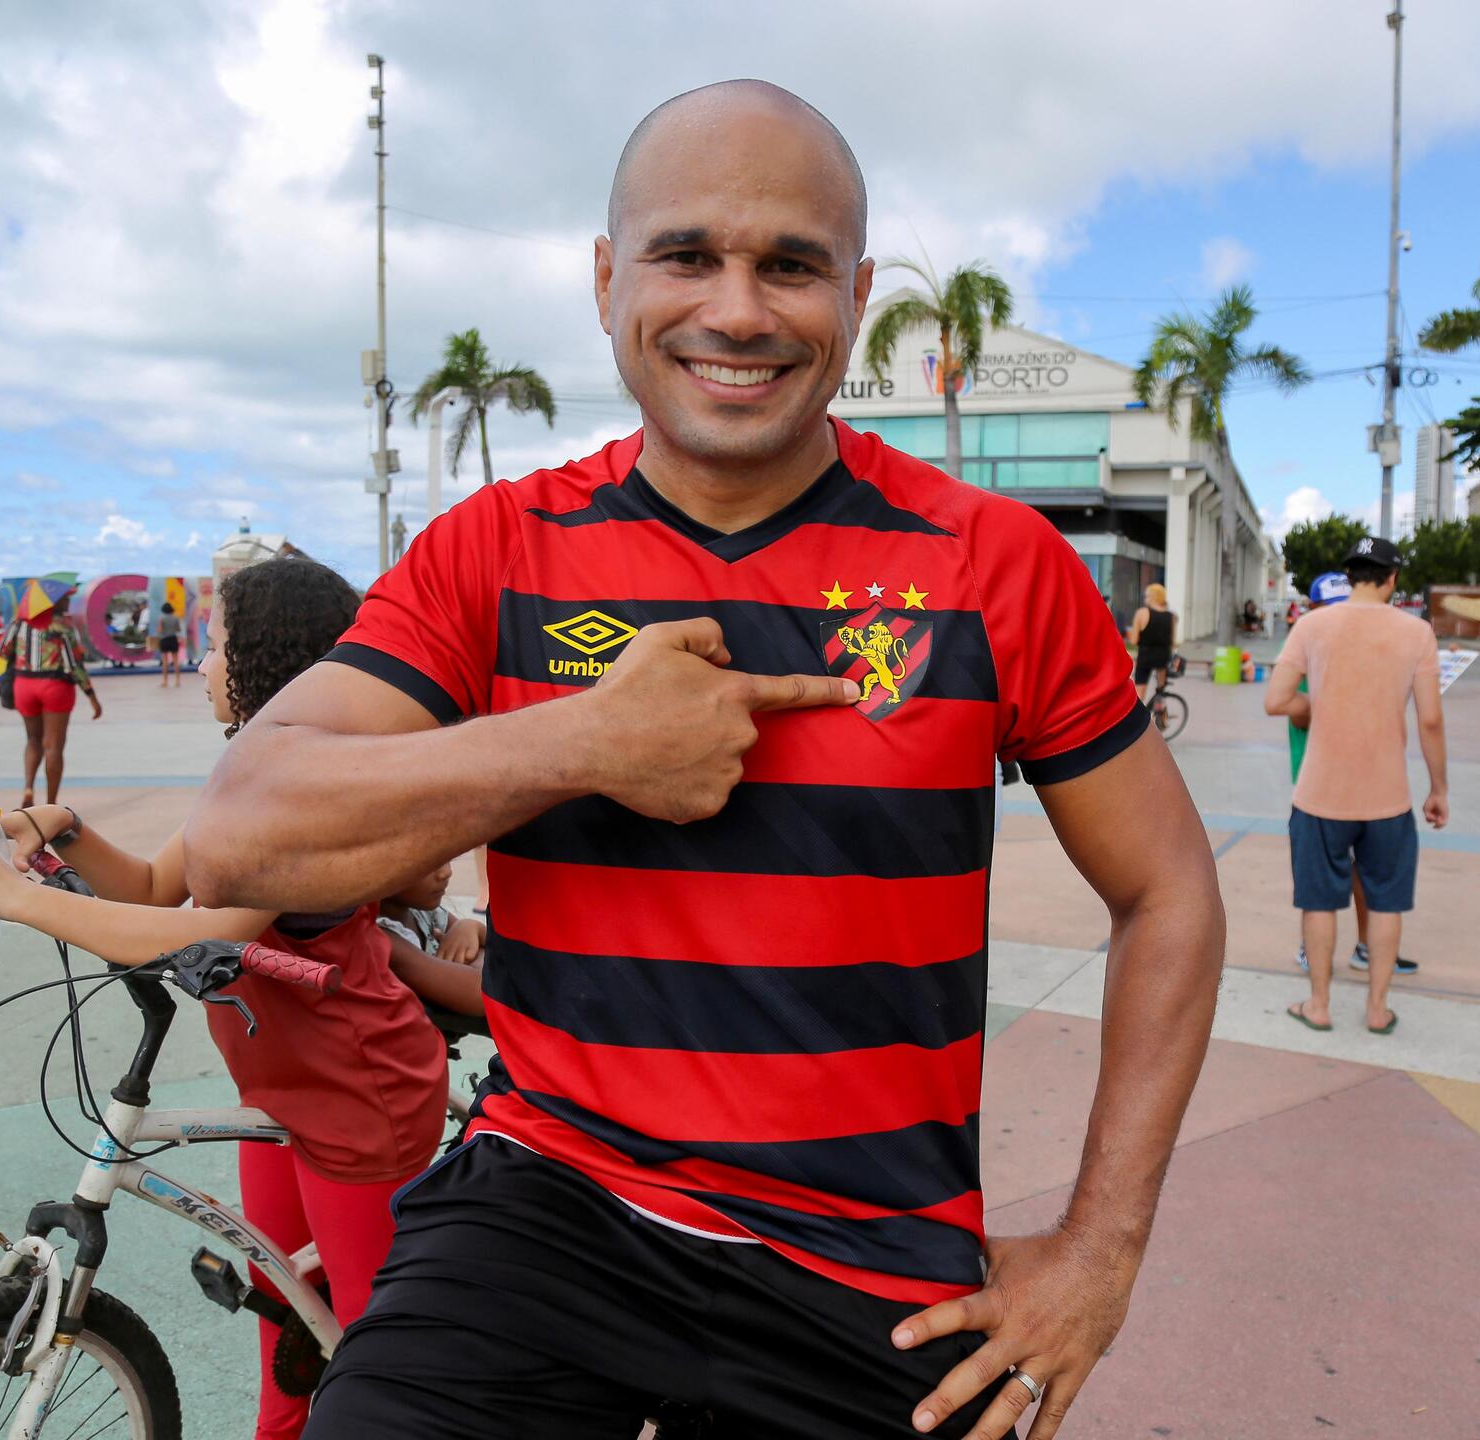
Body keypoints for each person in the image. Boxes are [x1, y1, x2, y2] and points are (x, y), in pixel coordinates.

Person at [186, 80, 1223, 1440]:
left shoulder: (994, 567)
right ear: (610, 279)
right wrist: (582, 741)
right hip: (547, 1209)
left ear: (852, 297)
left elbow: (1171, 895)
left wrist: (1104, 1247)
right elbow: (239, 830)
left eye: (789, 265)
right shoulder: (497, 549)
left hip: (868, 1268)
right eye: (688, 254)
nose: (738, 310)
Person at [0, 557, 479, 1440]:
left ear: (261, 659)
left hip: (361, 1100)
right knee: (285, 1328)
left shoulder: (309, 795)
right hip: (279, 1094)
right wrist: (60, 828)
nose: (205, 665)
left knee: (376, 1366)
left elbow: (198, 934)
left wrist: (9, 895)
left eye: (216, 646)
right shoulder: (249, 775)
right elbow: (148, 889)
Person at [1265, 535, 1447, 1036]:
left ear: (1350, 577)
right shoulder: (1417, 633)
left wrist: (1316, 709)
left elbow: (1277, 699)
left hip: (1320, 793)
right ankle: (1376, 1009)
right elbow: (1430, 720)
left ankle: (1319, 1004)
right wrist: (1438, 789)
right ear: (1392, 579)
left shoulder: (1312, 625)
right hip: (1387, 797)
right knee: (1386, 900)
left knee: (1319, 901)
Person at [1287, 573, 1415, 979]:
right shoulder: (1310, 646)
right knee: (1318, 880)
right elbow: (1293, 707)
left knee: (1368, 871)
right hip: (1321, 781)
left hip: (1368, 781)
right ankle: (1313, 951)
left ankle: (1366, 946)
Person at [0, 593, 103, 807]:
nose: (67, 603)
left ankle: (28, 787)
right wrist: (91, 696)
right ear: (54, 602)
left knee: (32, 740)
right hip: (55, 686)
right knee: (54, 746)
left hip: (24, 685)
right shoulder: (63, 626)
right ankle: (50, 804)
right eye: (64, 599)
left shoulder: (19, 623)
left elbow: (2, 650)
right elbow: (74, 664)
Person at [378, 860, 487, 967]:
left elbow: (497, 950)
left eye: (448, 858)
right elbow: (480, 981)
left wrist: (472, 927)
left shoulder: (427, 914)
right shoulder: (381, 937)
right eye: (428, 863)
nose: (447, 872)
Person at [1128, 581, 1177, 693]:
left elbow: (1134, 640)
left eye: (1147, 595)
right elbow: (1172, 641)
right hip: (1163, 657)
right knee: (1160, 693)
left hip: (1146, 657)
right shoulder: (1171, 616)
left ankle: (1143, 710)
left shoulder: (1142, 613)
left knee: (1139, 694)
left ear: (1152, 597)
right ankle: (1160, 705)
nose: (1145, 598)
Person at [154, 601, 187, 688]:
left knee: (165, 662)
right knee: (175, 661)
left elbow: (160, 630)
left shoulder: (161, 618)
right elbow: (178, 629)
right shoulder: (175, 618)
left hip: (164, 640)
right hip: (173, 639)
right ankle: (177, 681)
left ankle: (165, 681)